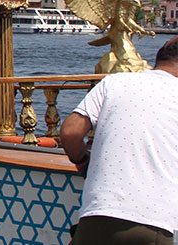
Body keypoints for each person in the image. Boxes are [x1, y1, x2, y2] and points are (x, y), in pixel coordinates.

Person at [61, 37, 178, 244]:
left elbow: (71, 132)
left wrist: (81, 160)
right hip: (153, 222)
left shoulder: (115, 82)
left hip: (98, 216)